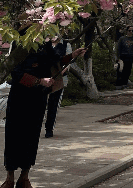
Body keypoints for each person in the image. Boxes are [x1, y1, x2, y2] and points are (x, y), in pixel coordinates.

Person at [3, 28, 86, 188]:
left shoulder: (46, 44)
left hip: (38, 97)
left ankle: (24, 177)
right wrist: (38, 80)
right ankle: (9, 178)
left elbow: (55, 61)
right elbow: (15, 71)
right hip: (19, 98)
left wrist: (72, 55)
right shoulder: (19, 43)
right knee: (14, 136)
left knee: (32, 136)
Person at [43, 35, 72, 138]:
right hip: (44, 80)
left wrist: (58, 74)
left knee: (53, 105)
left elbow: (68, 63)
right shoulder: (44, 43)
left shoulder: (65, 45)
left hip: (59, 80)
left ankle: (49, 129)